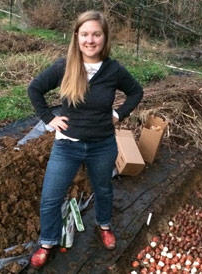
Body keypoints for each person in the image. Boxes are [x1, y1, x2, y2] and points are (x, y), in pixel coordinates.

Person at [27, 10, 143, 269]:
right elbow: (34, 88)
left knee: (103, 189)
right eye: (85, 34)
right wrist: (49, 118)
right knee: (51, 196)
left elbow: (136, 92)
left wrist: (118, 114)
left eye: (96, 34)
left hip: (102, 145)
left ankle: (104, 226)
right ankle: (47, 241)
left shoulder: (114, 70)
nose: (90, 40)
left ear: (105, 37)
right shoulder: (65, 65)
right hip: (67, 145)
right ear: (76, 37)